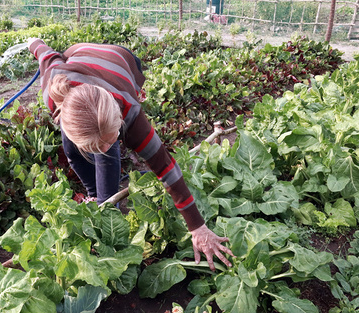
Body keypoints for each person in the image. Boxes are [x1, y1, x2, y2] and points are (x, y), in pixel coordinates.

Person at [27, 38, 235, 271]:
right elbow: (47, 55)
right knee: (72, 152)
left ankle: (107, 210)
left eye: (112, 137)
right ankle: (95, 195)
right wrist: (34, 43)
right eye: (97, 145)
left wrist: (198, 228)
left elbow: (167, 168)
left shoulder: (130, 113)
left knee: (107, 155)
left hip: (119, 60)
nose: (105, 148)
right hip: (77, 56)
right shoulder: (54, 85)